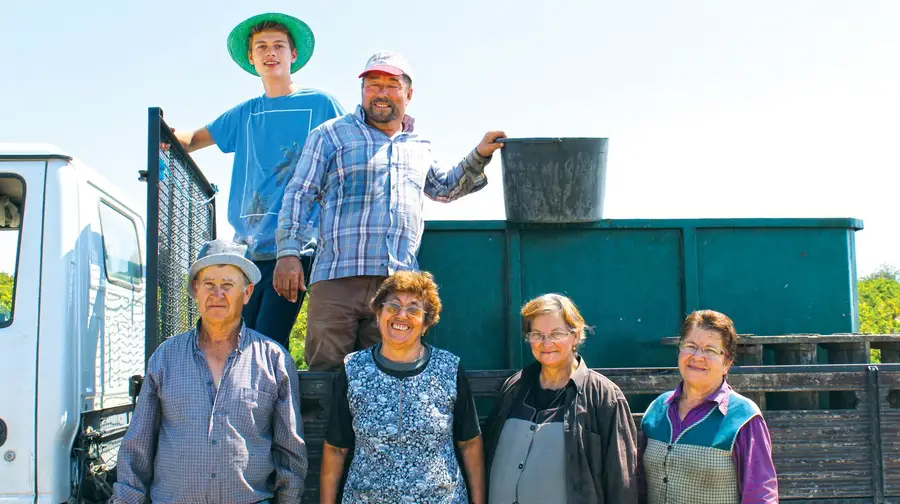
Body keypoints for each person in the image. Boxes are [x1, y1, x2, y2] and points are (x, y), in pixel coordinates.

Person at [275, 50, 506, 371]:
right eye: (372, 85)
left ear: (408, 94)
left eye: (391, 85)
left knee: (388, 375)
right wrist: (288, 253)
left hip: (397, 287)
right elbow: (299, 194)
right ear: (362, 91)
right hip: (337, 278)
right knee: (324, 375)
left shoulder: (419, 144)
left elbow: (445, 188)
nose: (381, 93)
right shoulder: (331, 134)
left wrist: (479, 155)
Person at [170, 12, 345, 350]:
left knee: (265, 344)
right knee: (236, 341)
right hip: (249, 249)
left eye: (279, 45)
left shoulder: (320, 104)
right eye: (261, 47)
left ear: (293, 55)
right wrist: (166, 132)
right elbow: (192, 140)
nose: (270, 52)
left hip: (297, 247)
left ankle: (274, 401)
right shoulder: (245, 113)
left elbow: (352, 142)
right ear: (251, 58)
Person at [110, 239, 307, 504]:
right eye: (208, 284)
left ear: (247, 293)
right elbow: (138, 445)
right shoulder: (165, 357)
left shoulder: (274, 360)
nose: (217, 294)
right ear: (196, 291)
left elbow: (290, 452)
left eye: (228, 285)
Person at [318, 270, 485, 504]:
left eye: (414, 309)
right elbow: (336, 448)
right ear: (378, 315)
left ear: (426, 324)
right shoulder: (353, 368)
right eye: (393, 306)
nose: (402, 315)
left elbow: (469, 443)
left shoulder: (449, 367)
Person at [484, 294, 639, 504]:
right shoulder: (515, 388)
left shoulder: (604, 396)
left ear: (575, 336)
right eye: (537, 334)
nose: (546, 343)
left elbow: (621, 481)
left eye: (556, 334)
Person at [638, 310, 779, 504]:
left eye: (710, 350)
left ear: (727, 363)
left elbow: (761, 496)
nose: (697, 356)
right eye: (690, 346)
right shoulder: (657, 410)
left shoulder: (743, 418)